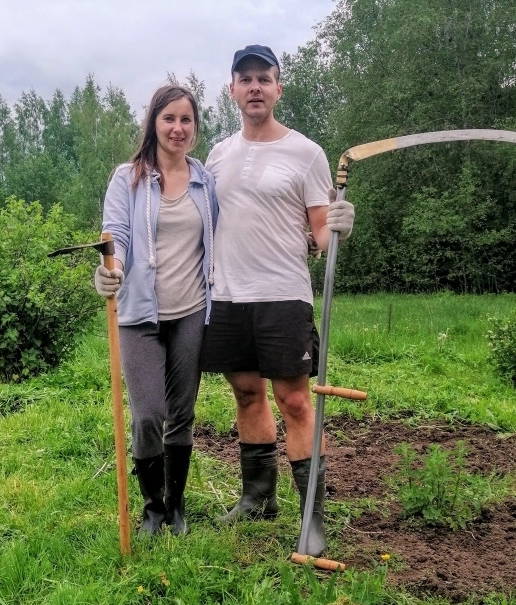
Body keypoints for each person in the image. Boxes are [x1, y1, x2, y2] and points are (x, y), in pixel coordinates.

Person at [200, 45, 355, 556]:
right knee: (246, 393)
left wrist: (339, 226)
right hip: (227, 295)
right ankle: (257, 498)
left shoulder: (306, 153)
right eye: (245, 79)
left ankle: (312, 518)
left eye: (263, 79)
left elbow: (321, 234)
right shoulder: (218, 155)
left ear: (278, 88)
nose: (255, 87)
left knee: (294, 401)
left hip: (284, 296)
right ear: (232, 90)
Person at [94, 85, 219, 538]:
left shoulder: (205, 181)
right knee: (148, 414)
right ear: (153, 123)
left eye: (186, 119)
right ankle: (152, 508)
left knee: (181, 412)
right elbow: (116, 235)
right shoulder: (127, 178)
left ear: (195, 127)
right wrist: (109, 271)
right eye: (169, 118)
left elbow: (224, 234)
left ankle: (176, 506)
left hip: (191, 311)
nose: (178, 128)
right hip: (139, 315)